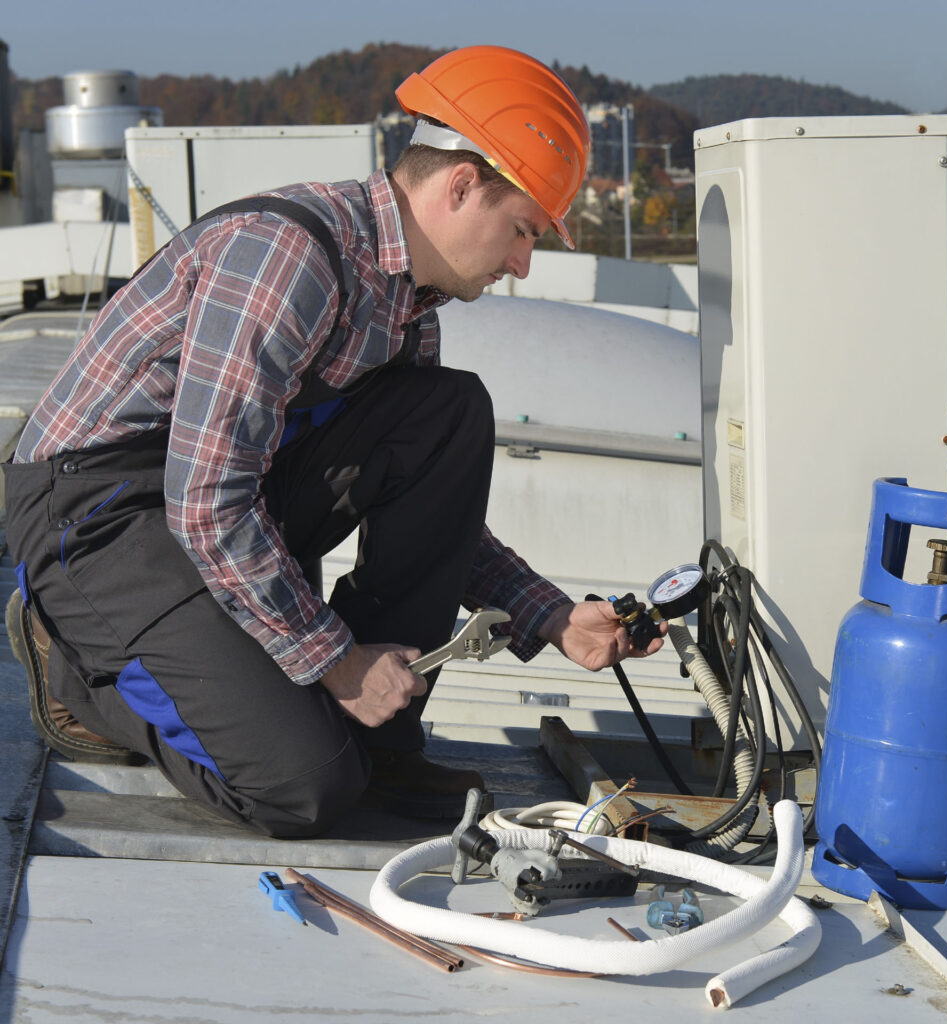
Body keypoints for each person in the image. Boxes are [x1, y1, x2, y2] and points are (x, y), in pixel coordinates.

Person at [3, 45, 664, 837]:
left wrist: (552, 617)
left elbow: (437, 515)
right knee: (303, 789)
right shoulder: (292, 256)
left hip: (202, 496)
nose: (522, 264)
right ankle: (78, 665)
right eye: (522, 230)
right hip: (97, 514)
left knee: (448, 413)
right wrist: (332, 661)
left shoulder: (405, 304)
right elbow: (208, 499)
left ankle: (377, 739)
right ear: (460, 185)